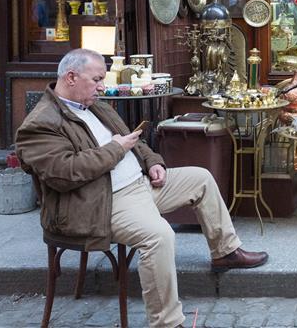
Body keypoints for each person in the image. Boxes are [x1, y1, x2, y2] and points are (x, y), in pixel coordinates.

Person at [15, 49, 268, 328]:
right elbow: (64, 173)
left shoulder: (94, 104)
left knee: (201, 178)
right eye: (97, 79)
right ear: (71, 77)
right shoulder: (40, 123)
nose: (103, 86)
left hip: (140, 184)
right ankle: (167, 323)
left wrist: (153, 163)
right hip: (100, 202)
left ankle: (225, 252)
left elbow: (133, 140)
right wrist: (115, 149)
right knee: (159, 236)